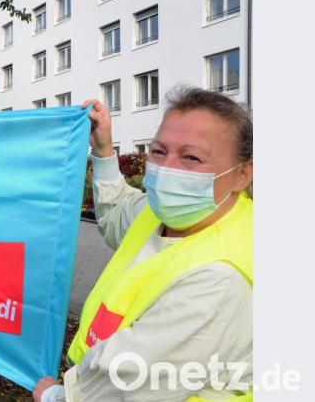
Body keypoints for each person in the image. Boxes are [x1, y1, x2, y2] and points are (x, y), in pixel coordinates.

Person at [34, 88, 253, 401]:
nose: (167, 169)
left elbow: (128, 384)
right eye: (159, 151)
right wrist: (103, 149)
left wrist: (55, 396)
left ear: (242, 173)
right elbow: (118, 213)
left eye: (192, 158)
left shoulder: (221, 278)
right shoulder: (165, 212)